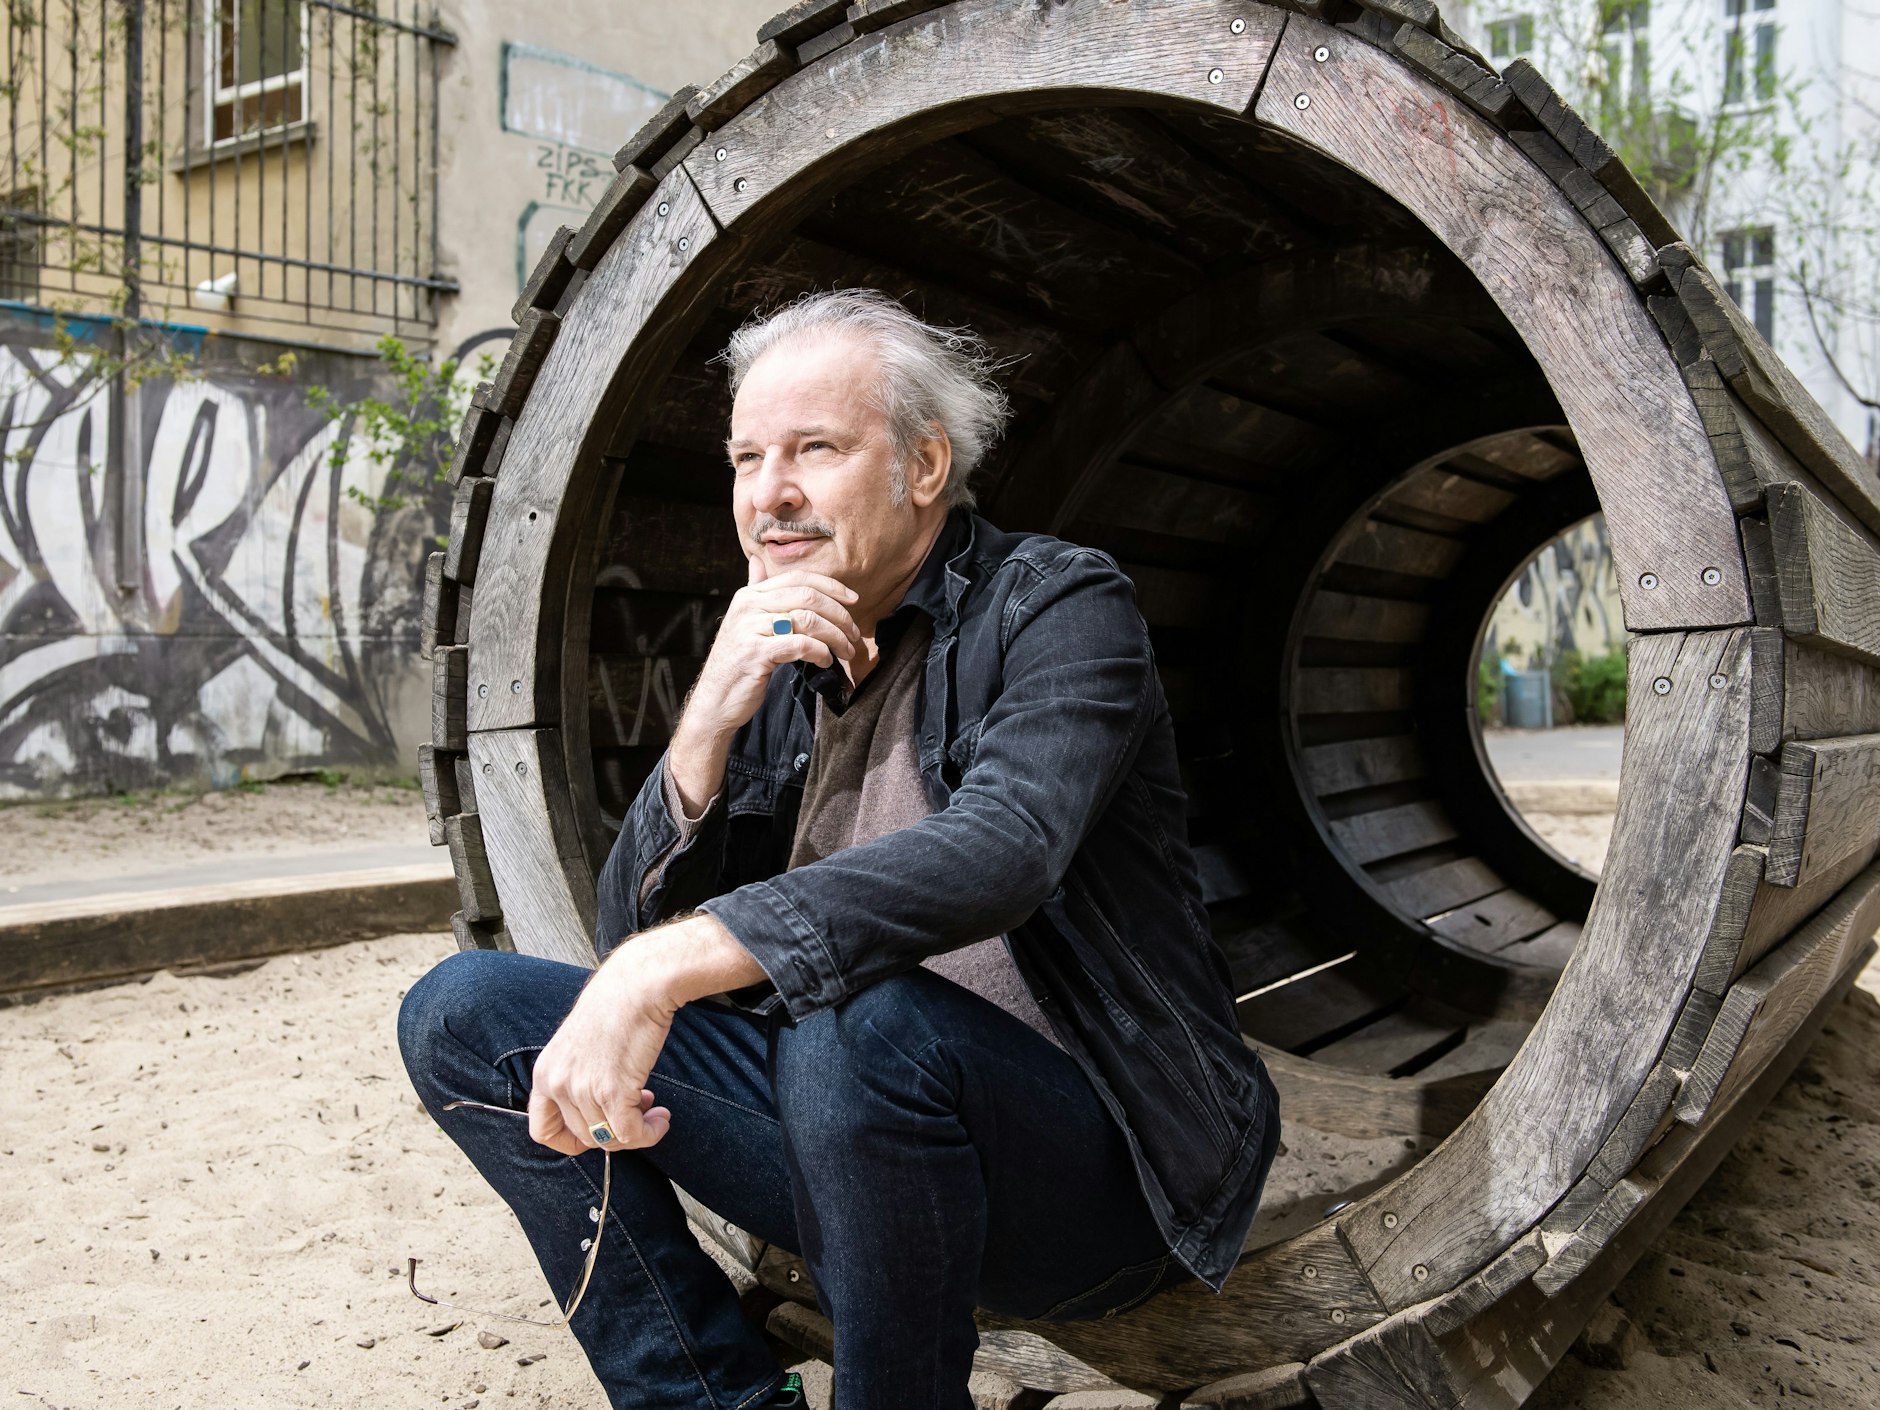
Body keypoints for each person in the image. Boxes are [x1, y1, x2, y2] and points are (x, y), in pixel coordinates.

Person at [398, 289, 1281, 1410]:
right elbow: (623, 950)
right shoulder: (779, 655)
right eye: (746, 457)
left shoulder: (1056, 605)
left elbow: (1004, 849)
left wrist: (661, 965)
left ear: (922, 465)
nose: (769, 493)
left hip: (1099, 1178)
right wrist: (706, 720)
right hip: (846, 1139)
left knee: (858, 1024)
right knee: (463, 1013)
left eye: (814, 448)